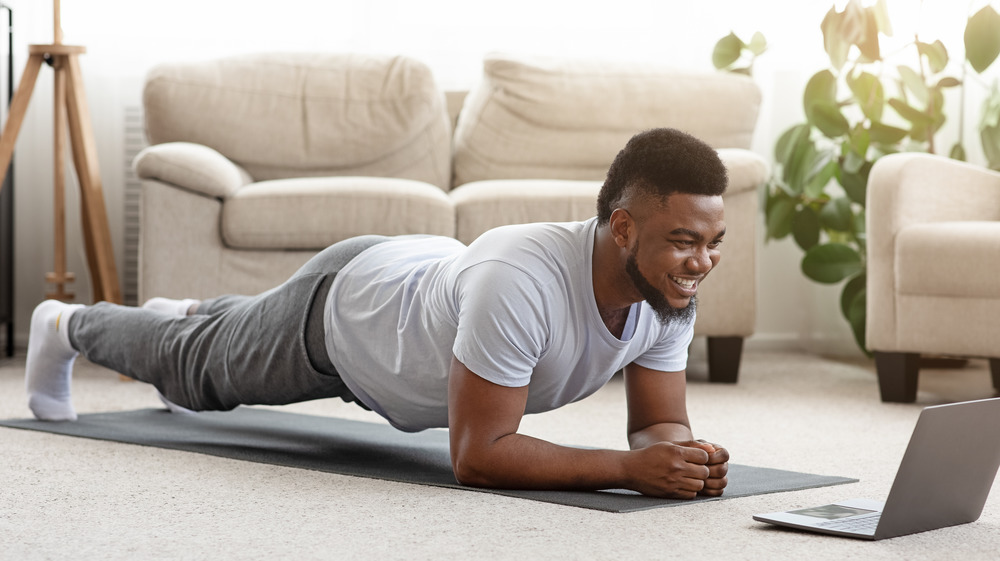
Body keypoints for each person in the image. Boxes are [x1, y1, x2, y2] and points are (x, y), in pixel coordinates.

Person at [25, 127, 730, 500]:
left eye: (712, 244)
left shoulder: (665, 291)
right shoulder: (522, 279)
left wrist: (681, 455)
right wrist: (629, 469)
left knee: (213, 336)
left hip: (414, 283)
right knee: (193, 375)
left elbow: (656, 422)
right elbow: (478, 455)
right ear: (624, 228)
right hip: (345, 316)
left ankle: (194, 313)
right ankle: (64, 325)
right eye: (684, 240)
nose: (700, 261)